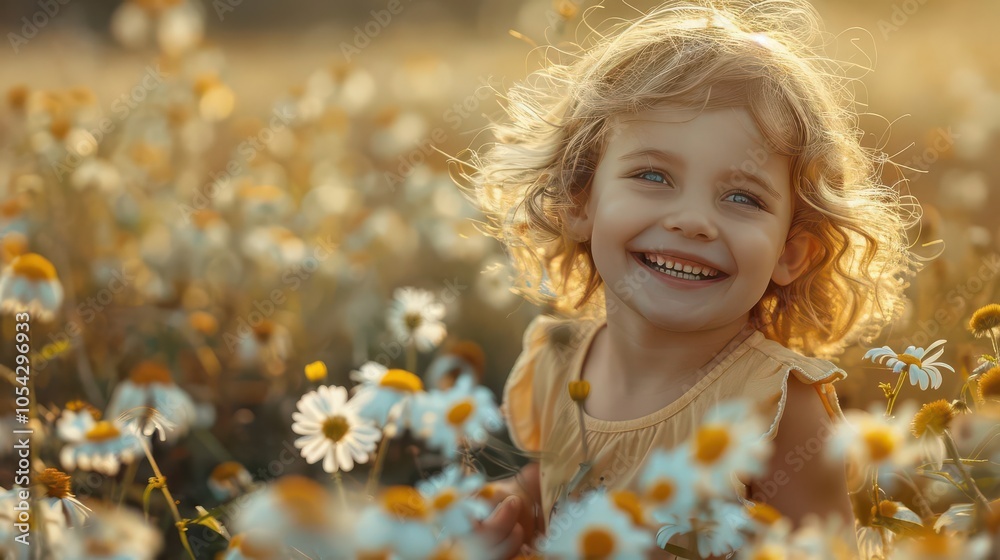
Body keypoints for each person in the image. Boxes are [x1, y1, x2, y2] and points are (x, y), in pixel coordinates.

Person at [454, 0, 918, 556]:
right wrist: (501, 513)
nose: (693, 221)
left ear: (791, 253)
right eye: (653, 175)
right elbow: (550, 490)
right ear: (580, 201)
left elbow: (826, 548)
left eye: (742, 197)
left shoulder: (774, 406)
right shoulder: (558, 361)